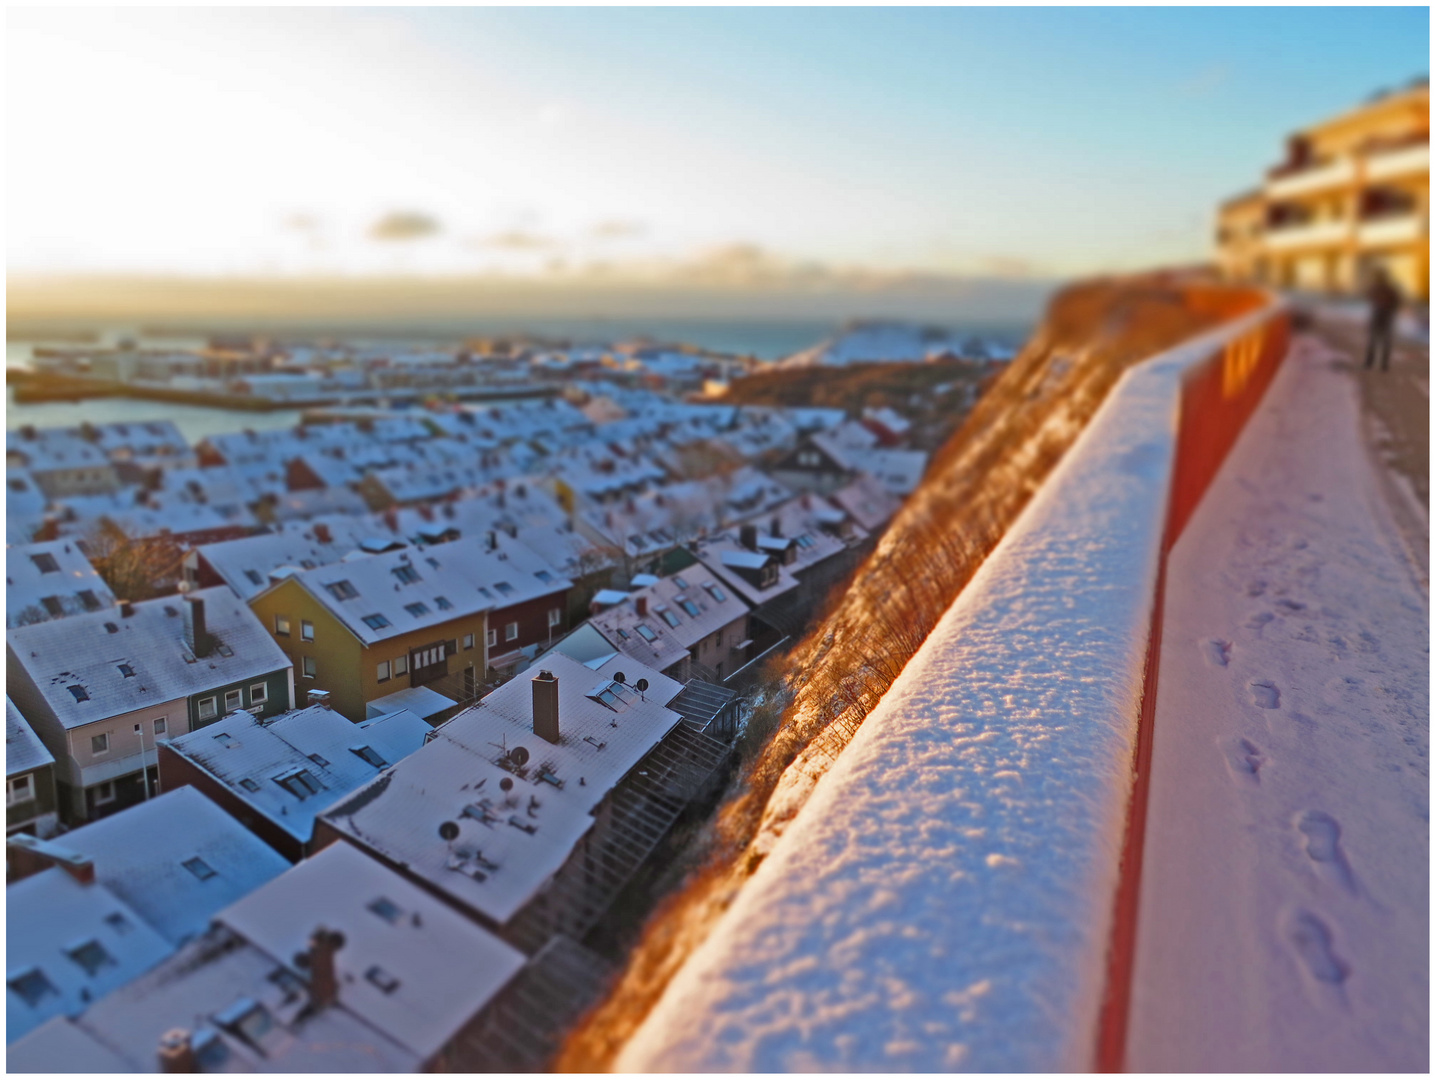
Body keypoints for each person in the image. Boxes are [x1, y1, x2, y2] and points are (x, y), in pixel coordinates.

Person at [1364, 267, 1402, 372]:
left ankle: (1374, 363)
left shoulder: (1383, 288)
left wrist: (1387, 306)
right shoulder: (1386, 288)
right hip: (1382, 315)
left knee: (1378, 340)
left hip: (1382, 316)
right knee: (1378, 340)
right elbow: (1369, 297)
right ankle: (1378, 363)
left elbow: (1397, 301)